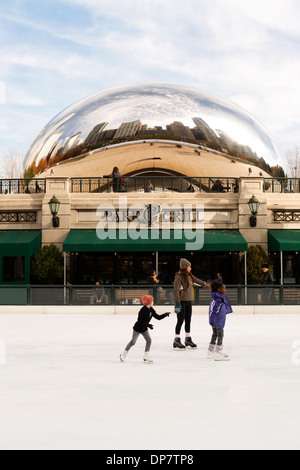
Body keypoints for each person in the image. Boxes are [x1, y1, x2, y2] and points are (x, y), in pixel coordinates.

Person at [119, 295, 170, 363]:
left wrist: (165, 314)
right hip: (137, 328)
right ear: (148, 302)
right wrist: (148, 325)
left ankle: (146, 355)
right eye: (152, 301)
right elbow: (140, 321)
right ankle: (123, 354)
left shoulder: (151, 309)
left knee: (149, 340)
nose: (153, 302)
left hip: (144, 328)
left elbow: (158, 317)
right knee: (133, 342)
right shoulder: (142, 310)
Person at [173, 258, 209, 349]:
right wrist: (177, 302)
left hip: (188, 301)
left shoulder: (189, 276)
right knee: (180, 321)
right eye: (189, 266)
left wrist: (209, 285)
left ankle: (188, 339)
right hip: (181, 302)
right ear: (185, 267)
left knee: (188, 320)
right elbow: (176, 290)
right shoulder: (178, 277)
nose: (190, 268)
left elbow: (199, 281)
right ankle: (176, 340)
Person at [207, 280, 232, 361]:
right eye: (224, 288)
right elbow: (213, 311)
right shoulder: (218, 300)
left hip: (217, 320)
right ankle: (218, 352)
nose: (225, 290)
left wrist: (219, 280)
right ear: (219, 289)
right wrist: (213, 322)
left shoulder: (219, 297)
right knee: (220, 334)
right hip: (217, 321)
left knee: (215, 334)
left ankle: (210, 352)